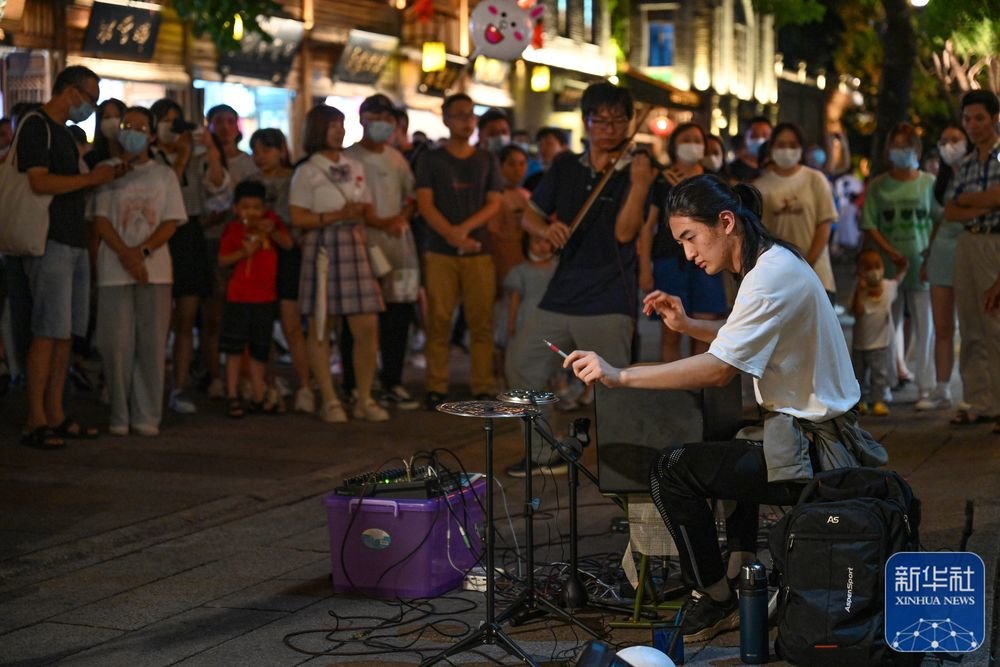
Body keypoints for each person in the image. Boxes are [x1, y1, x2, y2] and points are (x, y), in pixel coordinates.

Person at [563, 174, 885, 643]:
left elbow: (719, 370)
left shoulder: (769, 277)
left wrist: (620, 375)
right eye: (680, 242)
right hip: (806, 433)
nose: (688, 254)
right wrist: (687, 323)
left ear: (726, 222)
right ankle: (736, 574)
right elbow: (739, 341)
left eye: (690, 237)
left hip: (821, 452)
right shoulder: (772, 264)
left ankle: (712, 596)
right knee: (731, 447)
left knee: (670, 470)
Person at [503, 82, 656, 476]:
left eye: (618, 120)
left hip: (609, 298)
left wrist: (639, 184)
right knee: (522, 365)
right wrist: (544, 231)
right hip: (561, 294)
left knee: (612, 389)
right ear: (586, 122)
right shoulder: (566, 166)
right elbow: (530, 215)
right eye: (599, 119)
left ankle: (624, 469)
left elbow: (625, 233)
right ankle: (543, 453)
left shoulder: (634, 170)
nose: (608, 128)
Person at [14, 65, 120, 449]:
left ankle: (55, 412)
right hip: (49, 240)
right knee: (47, 331)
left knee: (65, 335)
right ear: (70, 92)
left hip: (72, 241)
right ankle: (35, 418)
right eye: (89, 96)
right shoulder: (35, 125)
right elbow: (39, 181)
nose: (90, 105)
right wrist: (90, 180)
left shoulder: (63, 133)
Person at [290, 104, 389, 423]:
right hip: (323, 246)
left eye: (342, 124)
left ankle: (363, 397)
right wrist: (336, 216)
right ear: (317, 129)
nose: (340, 130)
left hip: (355, 242)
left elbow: (367, 209)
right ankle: (330, 399)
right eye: (333, 124)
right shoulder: (306, 170)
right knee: (322, 324)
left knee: (367, 326)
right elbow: (297, 216)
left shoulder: (354, 165)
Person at [91, 105, 184, 436]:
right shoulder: (106, 170)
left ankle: (147, 415)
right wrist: (127, 256)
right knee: (115, 344)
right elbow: (101, 219)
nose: (132, 131)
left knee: (152, 343)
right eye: (127, 124)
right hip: (113, 268)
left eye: (141, 127)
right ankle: (118, 414)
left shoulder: (163, 174)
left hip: (155, 269)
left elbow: (171, 220)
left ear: (153, 135)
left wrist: (141, 253)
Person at [415, 93, 503, 409]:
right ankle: (436, 384)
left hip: (478, 250)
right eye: (460, 114)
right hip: (440, 251)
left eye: (470, 115)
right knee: (438, 320)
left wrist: (462, 232)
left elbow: (495, 202)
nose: (466, 121)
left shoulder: (486, 159)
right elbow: (425, 204)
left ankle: (482, 384)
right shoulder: (431, 159)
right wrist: (453, 235)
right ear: (446, 118)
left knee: (481, 321)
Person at [150, 98, 228, 414]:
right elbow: (161, 194)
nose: (174, 128)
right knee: (157, 319)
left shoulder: (197, 155)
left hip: (190, 234)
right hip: (159, 235)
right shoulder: (149, 157)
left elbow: (219, 187)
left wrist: (208, 145)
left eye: (177, 121)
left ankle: (179, 387)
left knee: (186, 317)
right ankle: (152, 385)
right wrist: (180, 157)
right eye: (167, 121)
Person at [343, 94, 420, 410]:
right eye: (376, 118)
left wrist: (401, 216)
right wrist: (377, 220)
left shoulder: (396, 159)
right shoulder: (348, 158)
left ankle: (392, 381)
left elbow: (410, 197)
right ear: (362, 119)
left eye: (387, 119)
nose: (382, 125)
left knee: (398, 316)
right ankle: (354, 384)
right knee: (358, 318)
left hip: (397, 247)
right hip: (360, 246)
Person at [860, 122, 939, 401]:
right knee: (887, 324)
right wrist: (889, 251)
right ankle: (888, 382)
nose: (901, 151)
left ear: (916, 149)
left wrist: (931, 253)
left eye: (907, 146)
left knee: (925, 326)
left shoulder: (929, 183)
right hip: (886, 268)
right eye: (897, 145)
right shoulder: (879, 185)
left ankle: (926, 386)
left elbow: (939, 221)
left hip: (922, 267)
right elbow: (870, 224)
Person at [639, 122, 728, 362]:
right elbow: (648, 227)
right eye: (686, 140)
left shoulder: (713, 181)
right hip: (669, 262)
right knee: (671, 332)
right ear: (674, 146)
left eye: (697, 140)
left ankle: (699, 389)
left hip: (708, 263)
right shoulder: (662, 180)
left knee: (703, 332)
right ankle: (677, 394)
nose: (693, 145)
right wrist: (645, 269)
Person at [943, 90, 1000, 431]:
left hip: (995, 243)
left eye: (980, 118)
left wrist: (971, 202)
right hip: (967, 243)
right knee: (971, 325)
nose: (973, 125)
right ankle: (979, 402)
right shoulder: (965, 163)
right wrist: (989, 202)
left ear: (994, 118)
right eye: (968, 119)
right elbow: (950, 210)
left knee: (995, 323)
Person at [218, 181, 292, 417]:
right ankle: (232, 394)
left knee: (260, 348)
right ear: (236, 208)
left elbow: (288, 243)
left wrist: (272, 230)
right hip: (238, 297)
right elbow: (223, 260)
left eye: (257, 207)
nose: (251, 212)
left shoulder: (271, 226)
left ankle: (259, 394)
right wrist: (244, 252)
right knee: (234, 349)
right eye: (245, 207)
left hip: (265, 298)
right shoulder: (233, 231)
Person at [916, 124, 972, 411]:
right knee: (942, 326)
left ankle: (973, 389)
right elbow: (938, 220)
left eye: (955, 139)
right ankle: (942, 388)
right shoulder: (941, 179)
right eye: (944, 140)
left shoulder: (978, 172)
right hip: (940, 253)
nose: (949, 145)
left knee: (972, 327)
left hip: (969, 251)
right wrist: (927, 259)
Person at [754, 122, 838, 303]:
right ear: (771, 148)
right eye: (781, 145)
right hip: (777, 280)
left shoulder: (815, 179)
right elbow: (759, 234)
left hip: (816, 276)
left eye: (793, 145)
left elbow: (824, 225)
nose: (787, 150)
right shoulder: (759, 187)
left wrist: (805, 265)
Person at [851, 249, 907, 417]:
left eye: (877, 266)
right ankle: (861, 401)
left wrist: (903, 268)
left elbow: (898, 279)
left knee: (879, 375)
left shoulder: (888, 287)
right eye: (868, 267)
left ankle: (878, 400)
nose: (874, 271)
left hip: (881, 343)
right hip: (861, 343)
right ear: (860, 272)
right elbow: (857, 311)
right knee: (859, 375)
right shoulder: (859, 291)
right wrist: (860, 292)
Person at [523, 126, 570, 191]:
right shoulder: (532, 181)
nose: (543, 149)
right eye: (540, 145)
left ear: (564, 147)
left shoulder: (572, 179)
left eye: (549, 144)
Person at [727, 116, 771, 183]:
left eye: (764, 135)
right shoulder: (730, 170)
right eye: (754, 135)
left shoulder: (776, 169)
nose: (759, 139)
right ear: (745, 137)